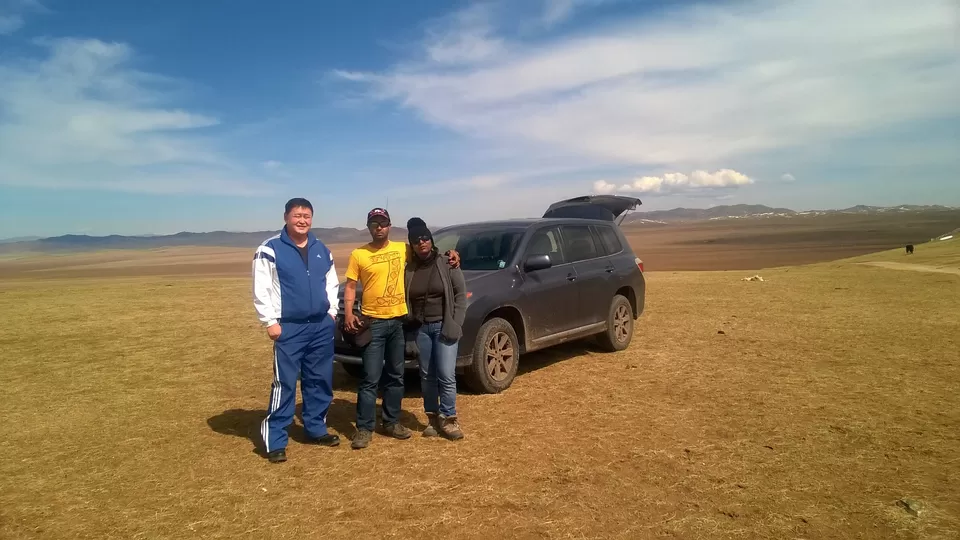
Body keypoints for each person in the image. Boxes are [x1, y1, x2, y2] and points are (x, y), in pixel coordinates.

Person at [342, 207, 460, 449]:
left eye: (383, 223)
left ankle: (391, 421)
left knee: (396, 376)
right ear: (369, 226)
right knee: (370, 378)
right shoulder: (358, 254)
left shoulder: (402, 249)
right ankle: (364, 428)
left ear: (389, 225)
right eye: (374, 223)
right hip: (372, 323)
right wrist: (348, 313)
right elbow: (351, 286)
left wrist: (453, 254)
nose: (379, 227)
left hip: (398, 324)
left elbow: (429, 252)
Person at [252, 197, 340, 463]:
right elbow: (261, 288)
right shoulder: (270, 249)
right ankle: (275, 440)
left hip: (320, 327)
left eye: (307, 216)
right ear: (286, 217)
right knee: (285, 383)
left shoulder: (321, 248)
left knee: (319, 380)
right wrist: (270, 321)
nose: (302, 220)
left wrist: (332, 313)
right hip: (289, 327)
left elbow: (331, 282)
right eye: (297, 215)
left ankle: (315, 429)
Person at [403, 217, 467, 440]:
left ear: (430, 240)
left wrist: (456, 322)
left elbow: (460, 295)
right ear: (411, 244)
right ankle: (432, 417)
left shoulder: (447, 262)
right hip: (421, 329)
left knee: (446, 375)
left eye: (425, 238)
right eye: (416, 240)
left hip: (444, 326)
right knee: (427, 376)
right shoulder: (408, 270)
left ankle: (449, 419)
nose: (421, 243)